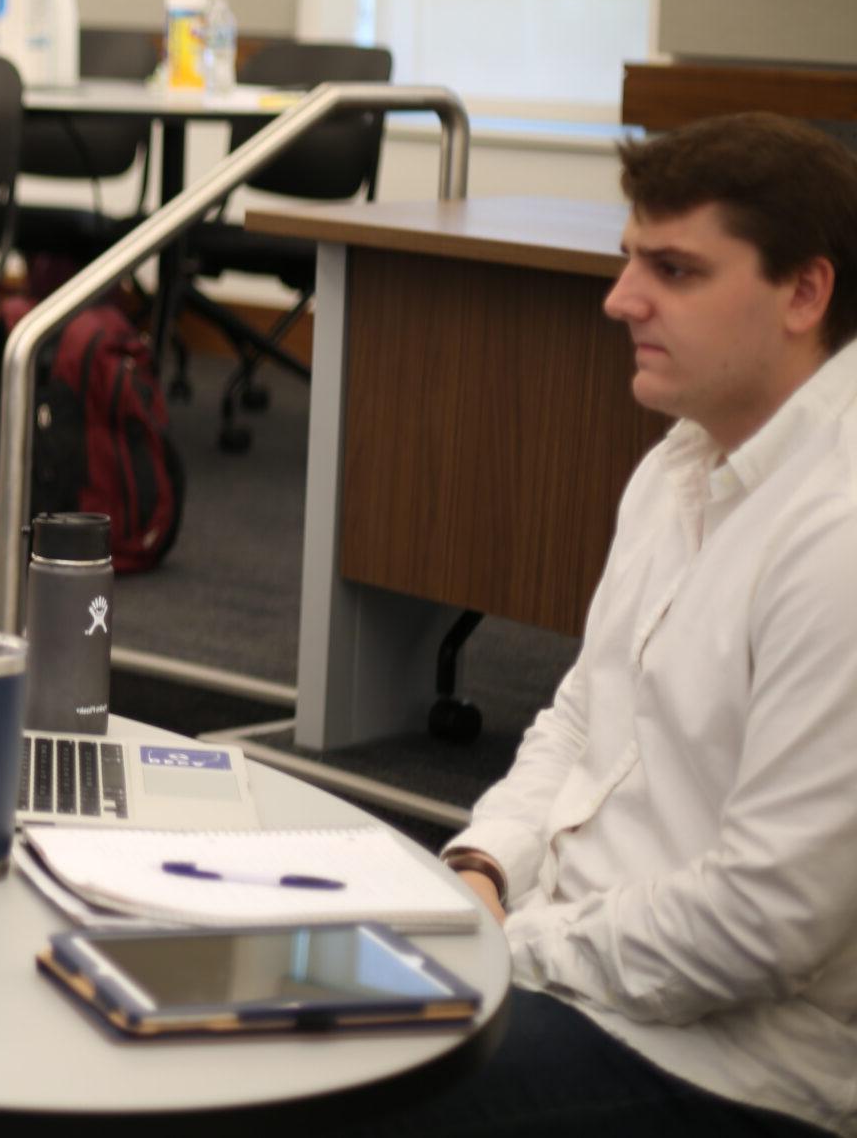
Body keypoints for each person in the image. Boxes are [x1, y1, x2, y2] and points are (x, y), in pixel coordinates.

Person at [358, 113, 857, 1137]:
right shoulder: (681, 457)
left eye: (672, 270)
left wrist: (509, 944)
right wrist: (480, 867)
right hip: (574, 963)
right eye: (629, 259)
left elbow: (758, 927)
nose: (619, 299)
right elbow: (585, 714)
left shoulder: (836, 533)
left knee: (328, 1084)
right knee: (248, 1002)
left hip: (728, 1063)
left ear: (804, 293)